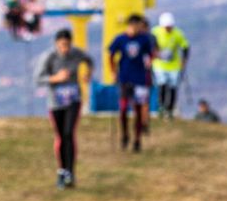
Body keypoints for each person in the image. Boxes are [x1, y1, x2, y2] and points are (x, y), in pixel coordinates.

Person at [35, 28, 94, 190]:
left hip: (74, 100)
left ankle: (70, 172)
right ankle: (62, 171)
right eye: (62, 45)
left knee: (69, 133)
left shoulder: (77, 54)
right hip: (55, 102)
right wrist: (56, 78)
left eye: (67, 45)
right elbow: (38, 79)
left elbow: (89, 60)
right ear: (56, 44)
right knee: (60, 135)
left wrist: (88, 74)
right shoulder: (49, 57)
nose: (65, 49)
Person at [107, 13, 154, 152]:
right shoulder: (120, 39)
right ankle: (125, 134)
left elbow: (151, 53)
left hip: (140, 78)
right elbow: (111, 54)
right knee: (123, 109)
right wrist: (113, 71)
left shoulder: (144, 39)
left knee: (138, 110)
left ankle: (137, 140)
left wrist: (149, 63)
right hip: (124, 78)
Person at [151, 12, 190, 120]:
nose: (168, 29)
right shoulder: (155, 32)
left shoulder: (178, 34)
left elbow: (185, 47)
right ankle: (162, 107)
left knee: (173, 88)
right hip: (159, 65)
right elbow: (150, 45)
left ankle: (170, 109)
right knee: (161, 85)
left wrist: (184, 61)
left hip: (174, 66)